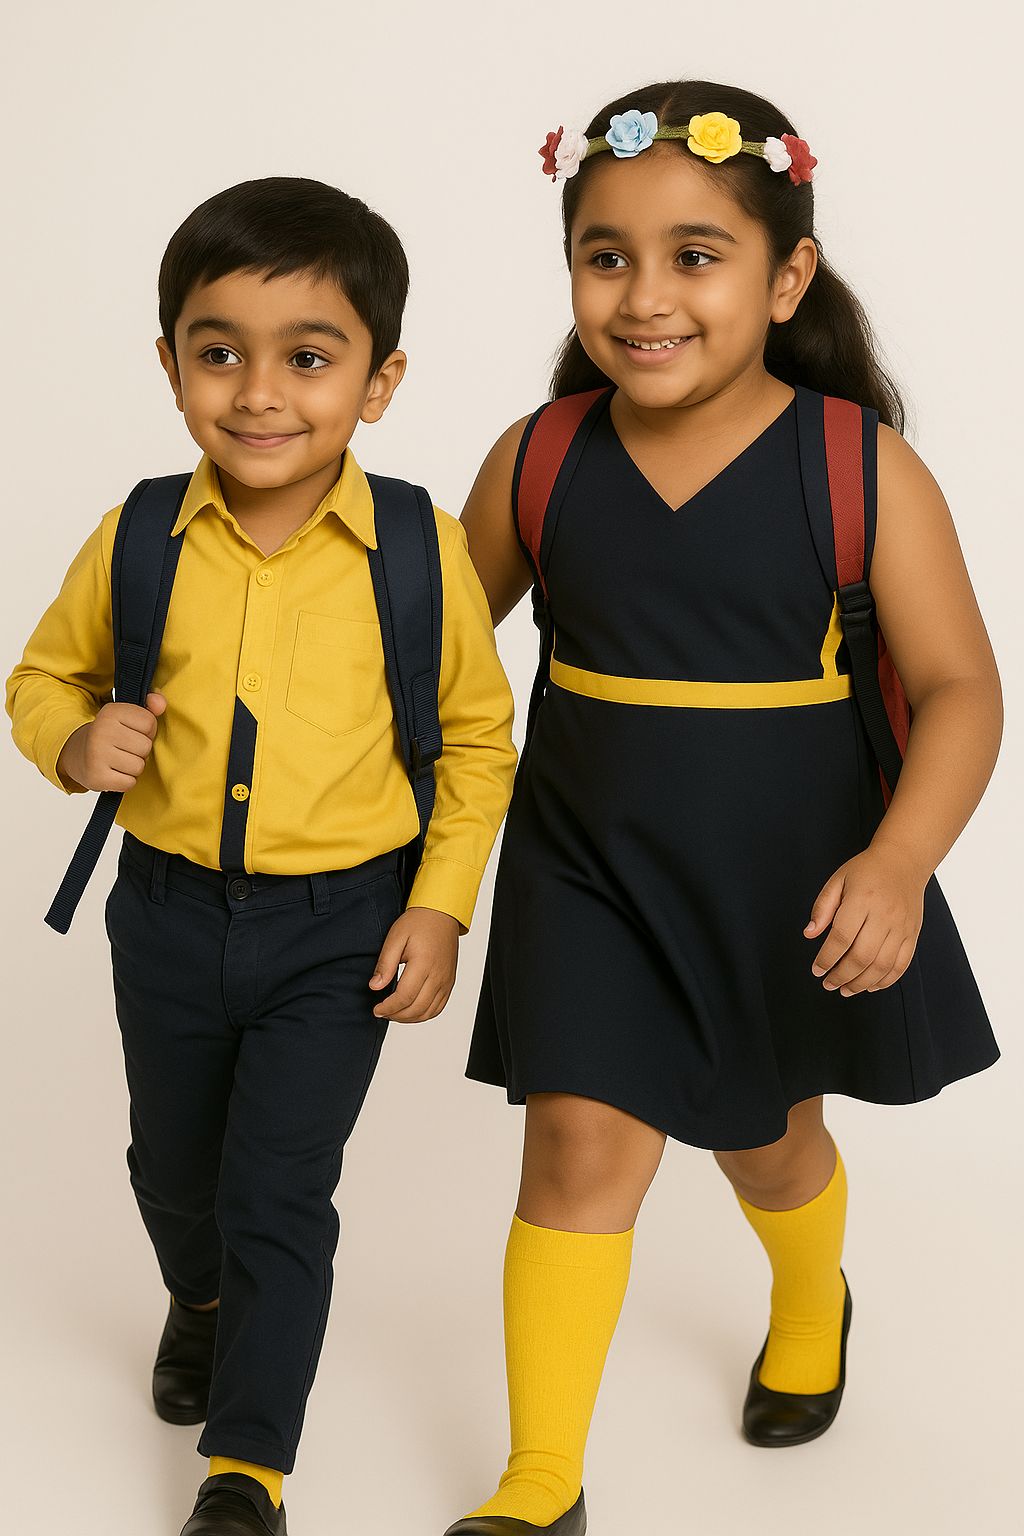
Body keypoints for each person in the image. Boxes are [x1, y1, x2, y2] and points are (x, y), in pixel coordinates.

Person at [444, 81, 1002, 1536]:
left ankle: (813, 1300)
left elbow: (961, 690)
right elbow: (425, 659)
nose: (644, 297)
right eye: (606, 256)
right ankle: (540, 1481)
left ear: (787, 277)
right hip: (586, 861)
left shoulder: (857, 465)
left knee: (768, 1139)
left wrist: (900, 860)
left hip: (784, 871)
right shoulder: (538, 458)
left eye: (696, 256)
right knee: (577, 1145)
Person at [6, 176, 517, 1536]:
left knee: (277, 1188)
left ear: (380, 379)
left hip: (340, 928)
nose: (259, 393)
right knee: (172, 1173)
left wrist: (439, 909)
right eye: (220, 351)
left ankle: (248, 1470)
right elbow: (40, 680)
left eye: (309, 356)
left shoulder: (418, 548)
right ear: (170, 362)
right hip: (167, 912)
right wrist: (76, 742)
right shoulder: (138, 534)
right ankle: (200, 1297)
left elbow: (478, 744)